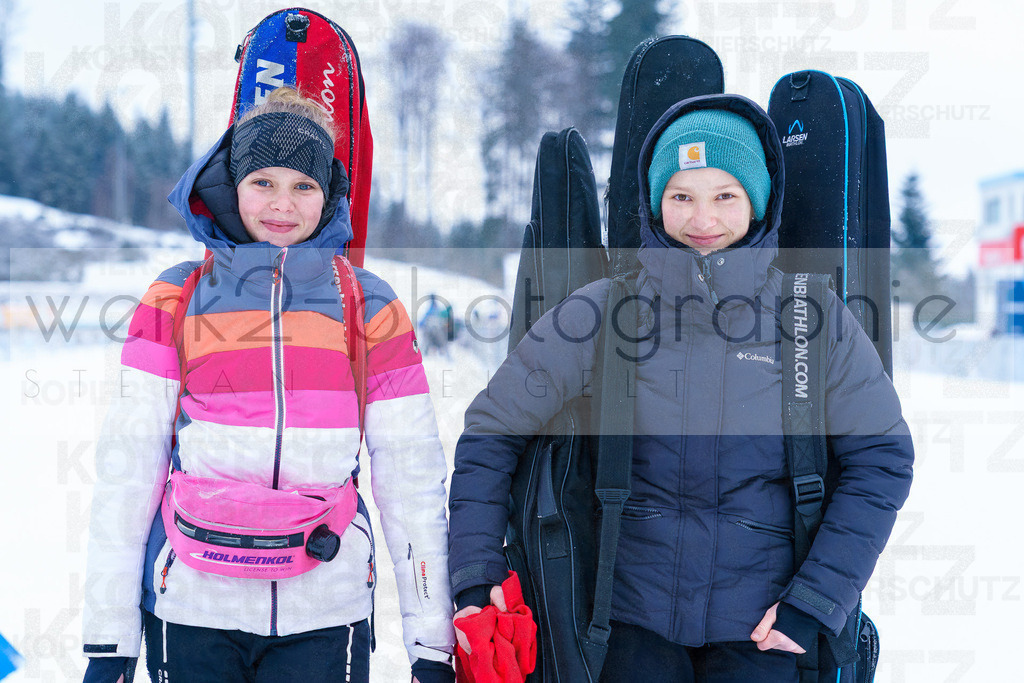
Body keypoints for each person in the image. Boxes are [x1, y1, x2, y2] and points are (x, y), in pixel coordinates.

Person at [447, 94, 913, 681]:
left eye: (725, 196)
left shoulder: (811, 317)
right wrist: (475, 570)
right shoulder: (601, 311)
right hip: (623, 626)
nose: (702, 221)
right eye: (681, 197)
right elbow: (493, 428)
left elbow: (883, 458)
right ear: (655, 203)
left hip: (767, 633)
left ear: (758, 203)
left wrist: (815, 602)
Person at [82, 87, 455, 683]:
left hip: (325, 615)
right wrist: (108, 641)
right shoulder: (174, 298)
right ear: (233, 185)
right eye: (263, 182)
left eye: (303, 186)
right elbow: (128, 467)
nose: (282, 204)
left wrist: (432, 645)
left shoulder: (367, 304)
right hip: (194, 609)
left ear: (328, 193)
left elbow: (410, 477)